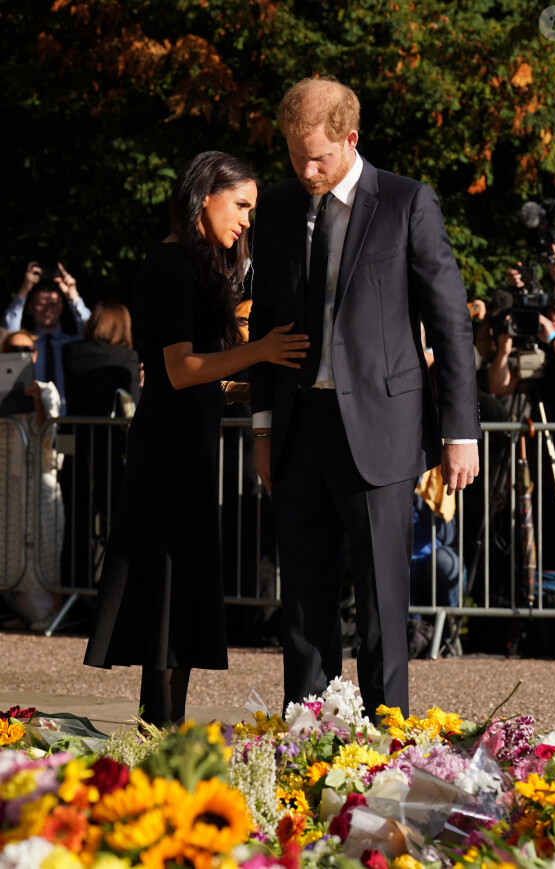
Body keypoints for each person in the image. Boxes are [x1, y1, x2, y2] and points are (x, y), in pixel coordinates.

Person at [248, 77, 480, 721]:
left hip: (382, 431)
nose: (306, 169)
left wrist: (461, 432)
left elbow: (451, 321)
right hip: (298, 429)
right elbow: (265, 322)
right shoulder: (276, 209)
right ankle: (307, 749)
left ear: (351, 139)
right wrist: (263, 431)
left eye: (318, 157)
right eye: (295, 156)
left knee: (381, 607)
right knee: (302, 610)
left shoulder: (407, 202)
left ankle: (386, 757)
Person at [83, 151, 310, 728]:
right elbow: (180, 370)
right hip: (167, 448)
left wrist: (241, 387)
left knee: (180, 587)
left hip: (187, 440)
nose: (247, 221)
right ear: (204, 195)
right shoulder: (168, 263)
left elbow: (196, 376)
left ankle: (165, 724)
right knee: (165, 586)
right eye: (240, 205)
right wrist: (258, 351)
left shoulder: (195, 265)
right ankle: (157, 724)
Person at [488, 282, 555, 565]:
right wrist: (504, 351)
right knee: (554, 537)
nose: (553, 312)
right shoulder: (544, 346)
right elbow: (501, 386)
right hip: (550, 462)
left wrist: (553, 339)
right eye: (549, 305)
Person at [60, 301, 141, 591]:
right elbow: (130, 405)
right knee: (115, 525)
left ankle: (74, 589)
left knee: (76, 521)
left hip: (77, 448)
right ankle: (109, 593)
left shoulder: (71, 352)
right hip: (112, 450)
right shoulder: (127, 358)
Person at [0, 330, 63, 630]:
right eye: (12, 349)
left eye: (26, 349)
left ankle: (44, 610)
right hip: (6, 481)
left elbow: (48, 436)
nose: (20, 353)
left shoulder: (47, 388)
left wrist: (39, 401)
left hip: (37, 478)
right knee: (8, 541)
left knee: (40, 542)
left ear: (35, 354)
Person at [1, 263, 91, 413]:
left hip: (70, 419)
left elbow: (93, 333)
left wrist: (73, 297)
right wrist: (24, 290)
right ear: (30, 308)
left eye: (53, 304)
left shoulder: (73, 345)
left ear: (61, 308)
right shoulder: (25, 345)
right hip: (31, 420)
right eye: (41, 304)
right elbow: (7, 334)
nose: (47, 310)